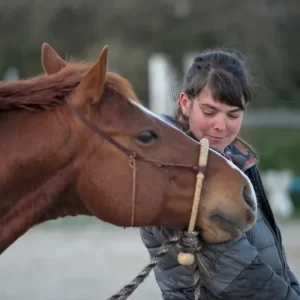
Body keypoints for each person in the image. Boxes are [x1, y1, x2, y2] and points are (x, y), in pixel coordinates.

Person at [140, 49, 300, 299]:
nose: (221, 125)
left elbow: (275, 257)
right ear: (185, 103)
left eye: (233, 114)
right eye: (209, 111)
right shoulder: (174, 176)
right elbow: (235, 274)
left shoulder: (238, 160)